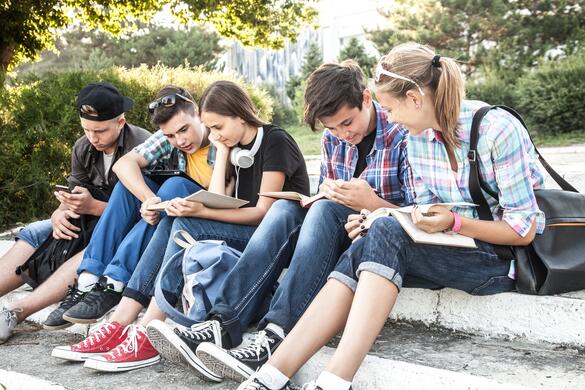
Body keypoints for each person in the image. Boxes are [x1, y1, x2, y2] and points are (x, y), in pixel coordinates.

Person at [237, 42, 547, 390]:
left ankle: (336, 382)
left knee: (384, 231)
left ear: (415, 98)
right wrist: (373, 217)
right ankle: (272, 374)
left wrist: (453, 222)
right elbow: (420, 210)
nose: (392, 119)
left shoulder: (496, 129)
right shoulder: (419, 138)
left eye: (391, 108)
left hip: (501, 256)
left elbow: (524, 230)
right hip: (451, 245)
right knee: (372, 237)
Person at [146, 60, 414, 383]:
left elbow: (417, 212)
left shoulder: (402, 133)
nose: (343, 134)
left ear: (367, 99)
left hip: (379, 235)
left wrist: (372, 206)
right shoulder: (333, 140)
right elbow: (326, 194)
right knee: (290, 209)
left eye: (347, 122)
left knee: (311, 211)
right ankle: (227, 324)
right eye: (332, 128)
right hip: (339, 228)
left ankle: (272, 336)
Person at [52, 80, 310, 375]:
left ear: (241, 115)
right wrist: (223, 153)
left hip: (277, 238)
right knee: (177, 216)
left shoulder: (274, 140)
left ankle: (147, 327)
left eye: (216, 128)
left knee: (185, 215)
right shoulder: (234, 146)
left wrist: (201, 210)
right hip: (252, 232)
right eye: (210, 129)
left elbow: (265, 213)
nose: (213, 135)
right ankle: (121, 322)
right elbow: (221, 201)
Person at [44, 85, 213, 331]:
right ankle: (88, 282)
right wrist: (148, 199)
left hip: (200, 218)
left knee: (174, 184)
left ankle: (114, 282)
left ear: (198, 114)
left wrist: (156, 201)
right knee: (129, 185)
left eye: (184, 130)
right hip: (168, 211)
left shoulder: (220, 139)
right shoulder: (170, 136)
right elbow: (124, 166)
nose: (180, 140)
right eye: (171, 135)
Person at [0, 82, 150, 344]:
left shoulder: (144, 146)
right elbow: (73, 192)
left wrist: (94, 208)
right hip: (88, 219)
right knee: (35, 231)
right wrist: (59, 212)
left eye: (100, 130)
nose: (93, 137)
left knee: (92, 248)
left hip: (123, 228)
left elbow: (146, 214)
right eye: (87, 129)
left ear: (121, 122)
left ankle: (15, 313)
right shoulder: (83, 147)